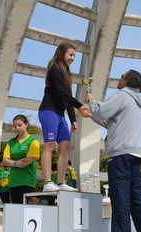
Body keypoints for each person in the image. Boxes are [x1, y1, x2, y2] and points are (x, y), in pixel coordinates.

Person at [85, 69, 141, 232]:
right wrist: (91, 115)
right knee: (136, 196)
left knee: (120, 196)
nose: (119, 78)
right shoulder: (137, 101)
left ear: (127, 81)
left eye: (122, 76)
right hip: (134, 153)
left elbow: (101, 109)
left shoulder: (122, 95)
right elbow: (110, 122)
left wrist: (91, 101)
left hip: (120, 154)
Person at [38, 42, 87, 192]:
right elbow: (60, 92)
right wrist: (80, 105)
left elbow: (67, 97)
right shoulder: (54, 66)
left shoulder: (66, 72)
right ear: (61, 53)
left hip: (60, 115)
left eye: (74, 56)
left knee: (65, 148)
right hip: (48, 111)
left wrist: (73, 119)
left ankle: (61, 182)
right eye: (70, 55)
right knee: (50, 145)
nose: (73, 58)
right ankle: (47, 183)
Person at [3, 115, 40, 204]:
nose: (17, 128)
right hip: (13, 181)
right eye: (15, 126)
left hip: (27, 180)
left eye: (20, 125)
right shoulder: (11, 142)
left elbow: (28, 160)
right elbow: (4, 160)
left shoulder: (33, 141)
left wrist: (11, 162)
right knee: (15, 208)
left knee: (22, 207)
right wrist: (16, 163)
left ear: (26, 125)